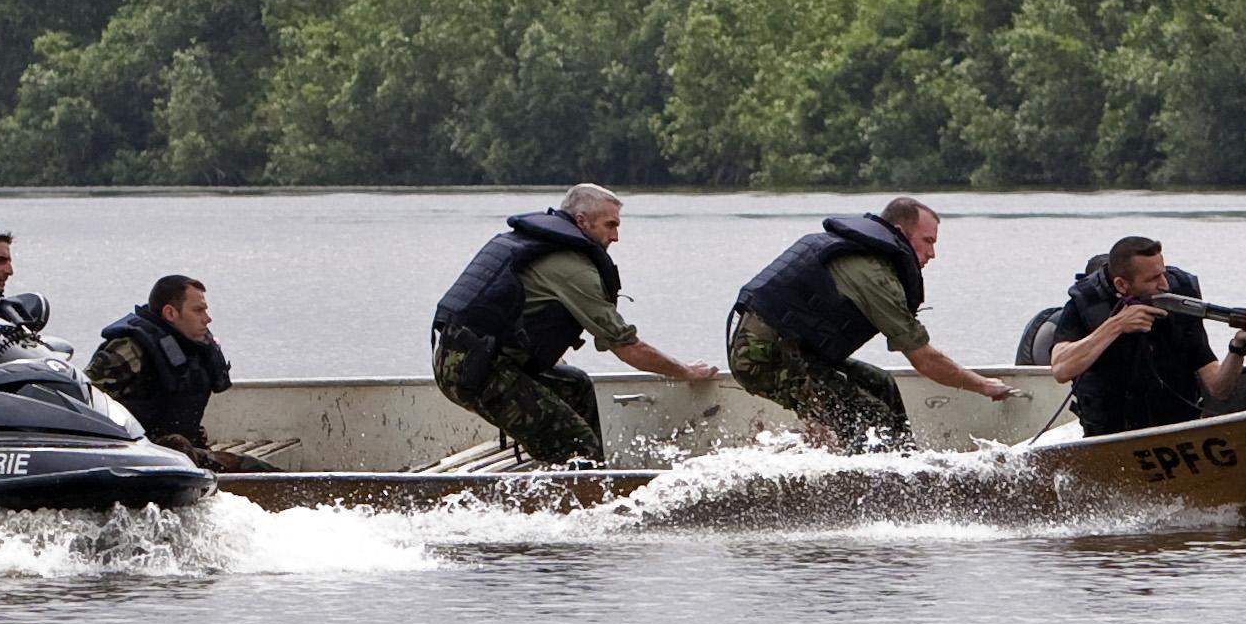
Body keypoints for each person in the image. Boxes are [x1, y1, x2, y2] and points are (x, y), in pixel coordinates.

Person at [429, 184, 717, 463]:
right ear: (582, 221)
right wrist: (686, 371)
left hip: (468, 357)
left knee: (575, 386)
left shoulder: (536, 244)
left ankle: (586, 472)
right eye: (610, 225)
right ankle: (581, 494)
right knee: (576, 444)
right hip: (477, 371)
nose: (616, 236)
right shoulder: (572, 269)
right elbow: (628, 347)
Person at [729, 197, 1013, 445]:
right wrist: (982, 385)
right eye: (927, 241)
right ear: (901, 232)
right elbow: (924, 359)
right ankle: (871, 491)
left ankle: (903, 466)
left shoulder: (867, 257)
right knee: (871, 417)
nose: (932, 254)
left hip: (792, 350)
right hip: (762, 357)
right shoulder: (874, 275)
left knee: (882, 385)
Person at [1046, 235, 1246, 438]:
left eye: (1163, 273)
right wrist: (1116, 325)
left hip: (1176, 434)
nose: (1164, 285)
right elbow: (1061, 369)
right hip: (1109, 437)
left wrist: (1239, 346)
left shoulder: (1181, 297)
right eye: (1152, 279)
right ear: (1121, 284)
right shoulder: (1086, 302)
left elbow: (1218, 388)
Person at [86, 276, 271, 472]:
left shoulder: (197, 350)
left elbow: (184, 410)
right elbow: (84, 400)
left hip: (182, 454)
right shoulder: (129, 349)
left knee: (259, 469)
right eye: (198, 310)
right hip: (137, 455)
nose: (207, 318)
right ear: (170, 313)